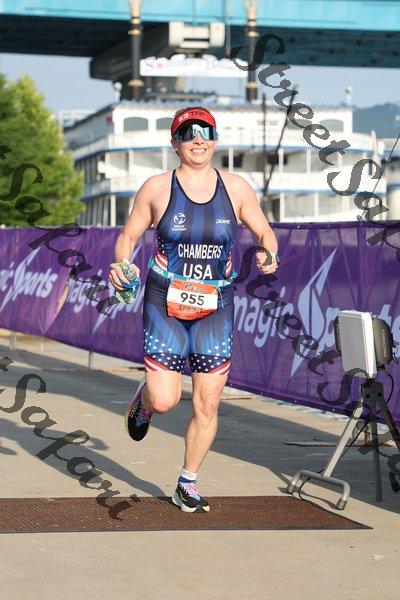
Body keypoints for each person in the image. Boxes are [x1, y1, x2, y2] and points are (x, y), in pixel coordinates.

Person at [109, 106, 279, 513]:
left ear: (215, 141)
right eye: (188, 133)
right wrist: (122, 265)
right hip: (164, 302)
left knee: (208, 402)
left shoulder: (236, 188)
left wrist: (268, 254)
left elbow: (265, 232)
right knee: (166, 400)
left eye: (205, 132)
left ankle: (187, 482)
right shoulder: (156, 188)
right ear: (175, 143)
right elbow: (128, 237)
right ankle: (146, 400)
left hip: (215, 304)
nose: (198, 139)